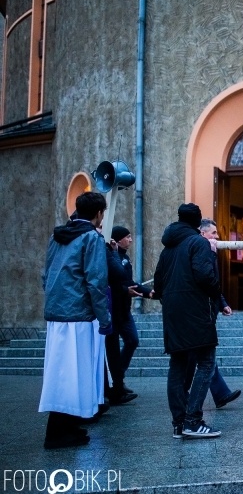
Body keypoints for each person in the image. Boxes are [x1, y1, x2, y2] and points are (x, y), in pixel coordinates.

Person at [39, 192, 111, 449]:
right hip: (79, 313)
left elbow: (45, 275)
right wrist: (104, 318)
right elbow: (96, 280)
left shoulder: (56, 236)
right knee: (75, 373)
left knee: (61, 372)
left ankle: (67, 427)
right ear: (99, 213)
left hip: (57, 312)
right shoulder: (92, 238)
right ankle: (58, 432)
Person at [154, 203, 222, 439]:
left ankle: (179, 423)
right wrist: (216, 292)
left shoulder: (168, 249)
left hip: (173, 314)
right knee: (206, 363)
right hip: (196, 312)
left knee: (178, 367)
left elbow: (158, 284)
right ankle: (193, 420)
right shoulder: (199, 243)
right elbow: (205, 276)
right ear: (197, 222)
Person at [197, 219, 241, 409]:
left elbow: (213, 282)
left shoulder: (210, 253)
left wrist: (222, 303)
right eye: (213, 233)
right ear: (202, 234)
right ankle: (217, 394)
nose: (217, 237)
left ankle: (220, 393)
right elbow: (207, 281)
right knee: (201, 356)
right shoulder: (202, 253)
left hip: (209, 308)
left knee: (202, 355)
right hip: (201, 311)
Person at [105, 226, 152, 404]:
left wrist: (149, 292)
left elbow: (129, 283)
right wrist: (126, 291)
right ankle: (116, 385)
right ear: (117, 240)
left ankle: (118, 379)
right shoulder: (112, 256)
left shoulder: (124, 258)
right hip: (113, 310)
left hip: (124, 309)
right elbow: (112, 282)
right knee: (113, 350)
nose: (131, 240)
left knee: (132, 340)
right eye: (128, 237)